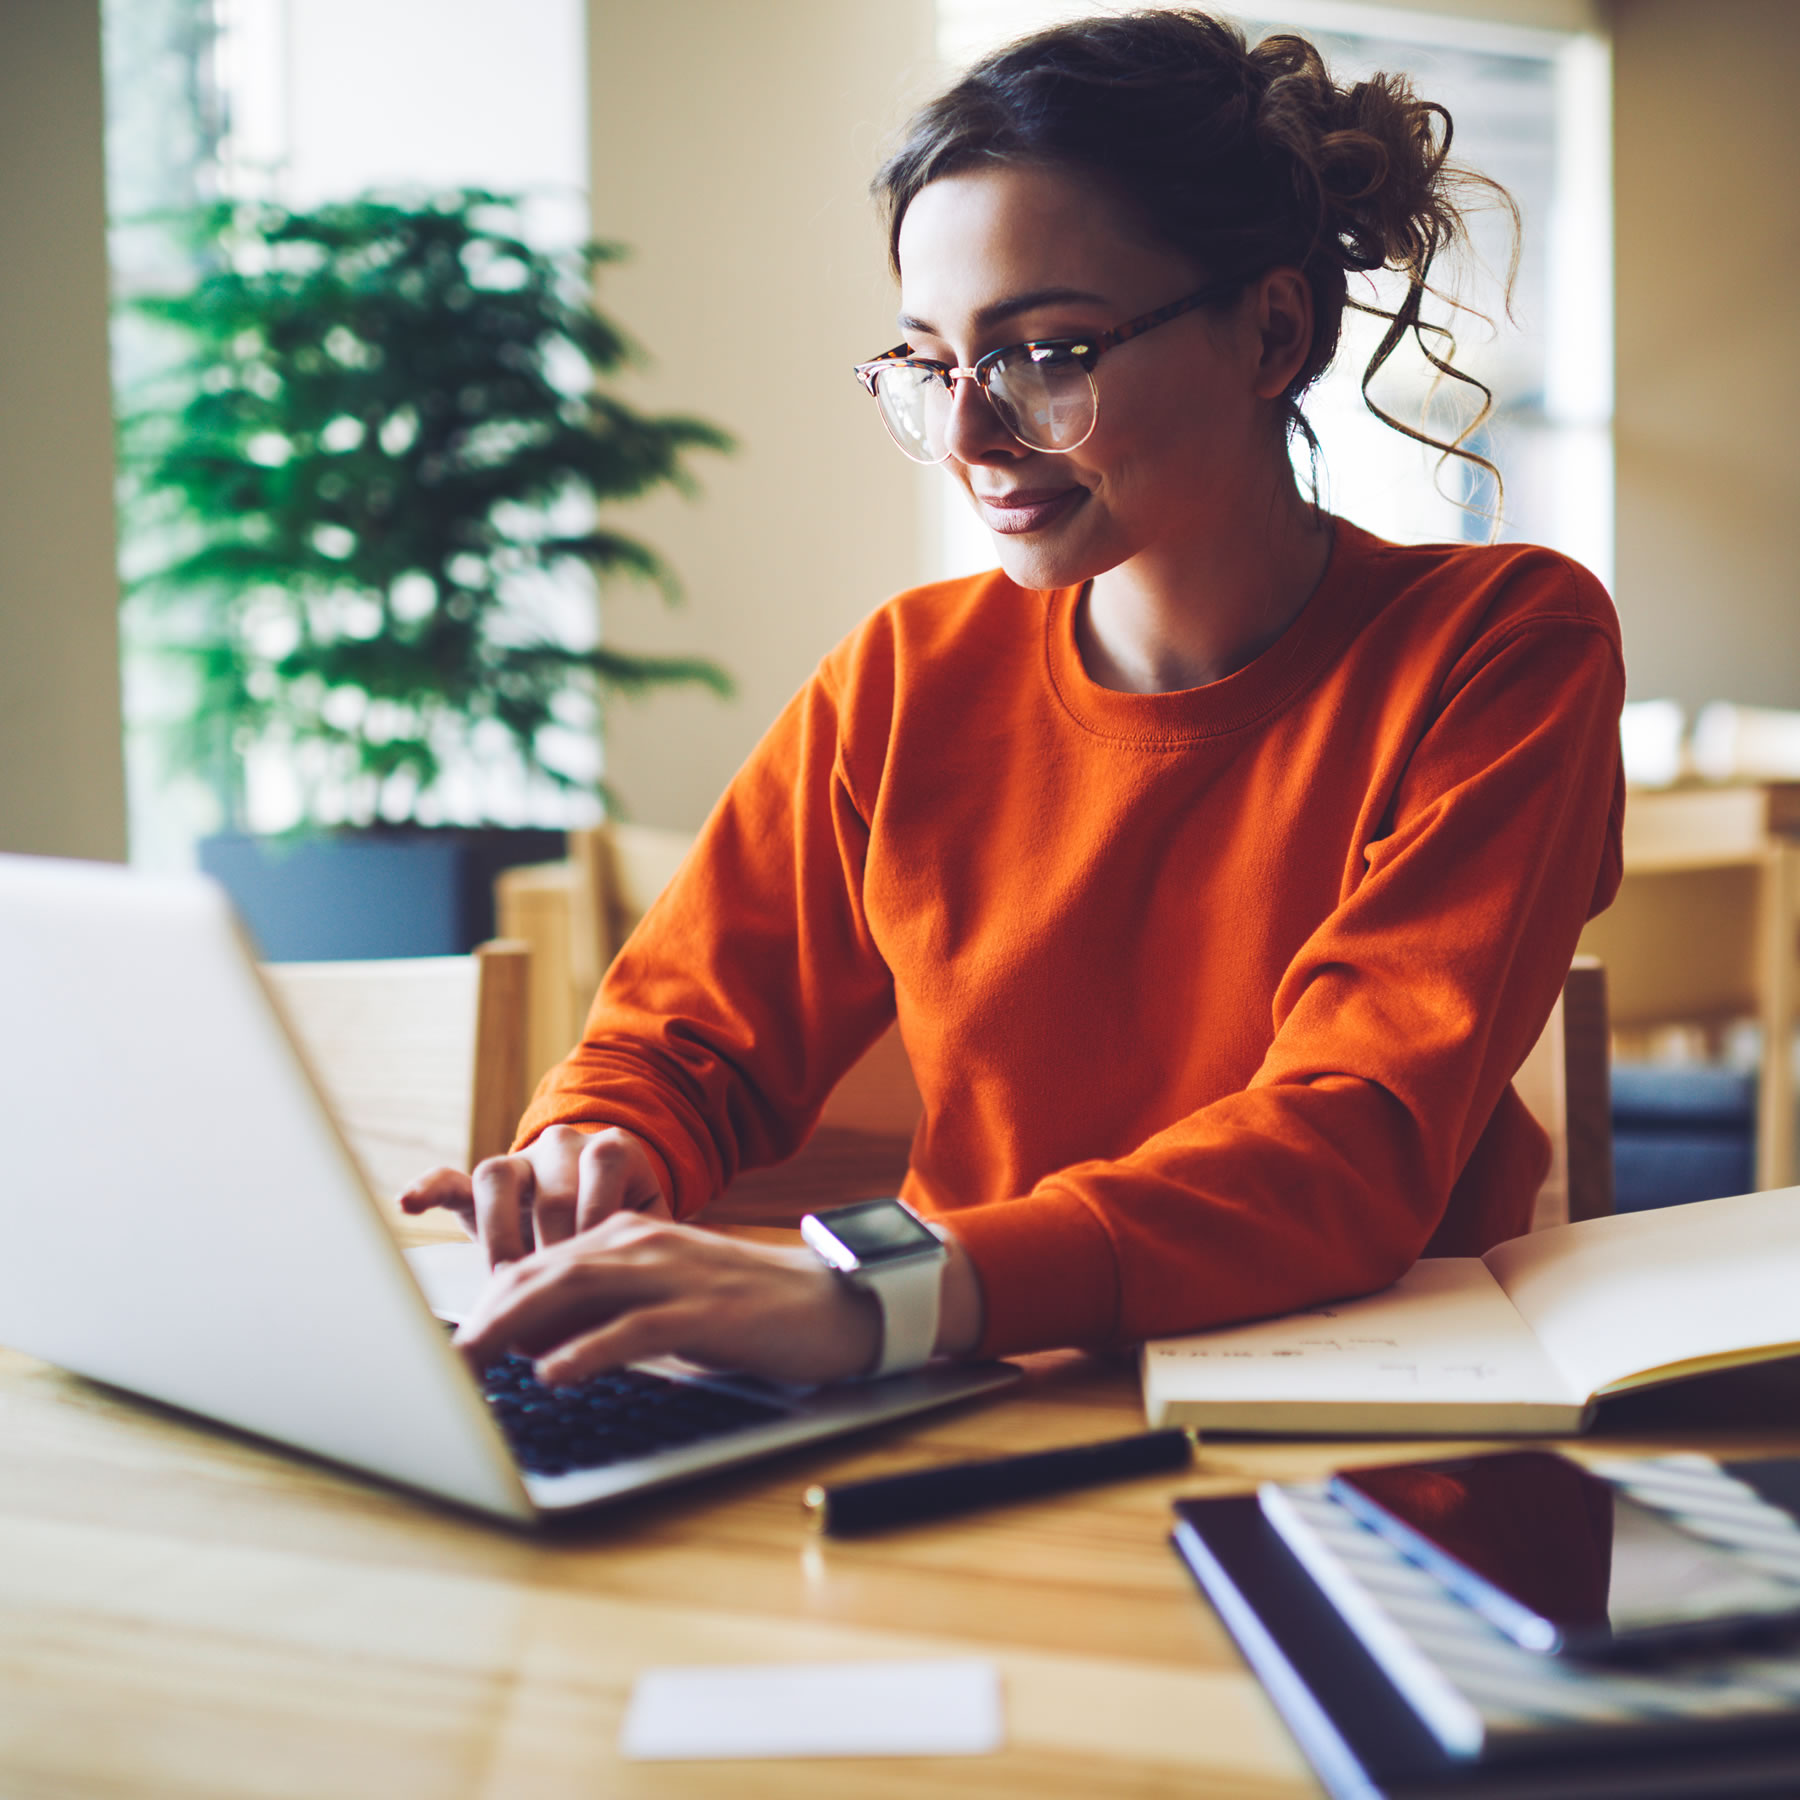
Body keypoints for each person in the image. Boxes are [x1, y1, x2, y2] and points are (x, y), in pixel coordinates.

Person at [403, 9, 1623, 1391]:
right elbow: (675, 1044)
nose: (972, 436)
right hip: (977, 1400)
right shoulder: (903, 677)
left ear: (1271, 329)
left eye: (1047, 354)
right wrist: (594, 1146)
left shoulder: (1503, 646)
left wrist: (877, 1297)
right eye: (930, 360)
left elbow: (1342, 1151)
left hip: (1366, 1428)